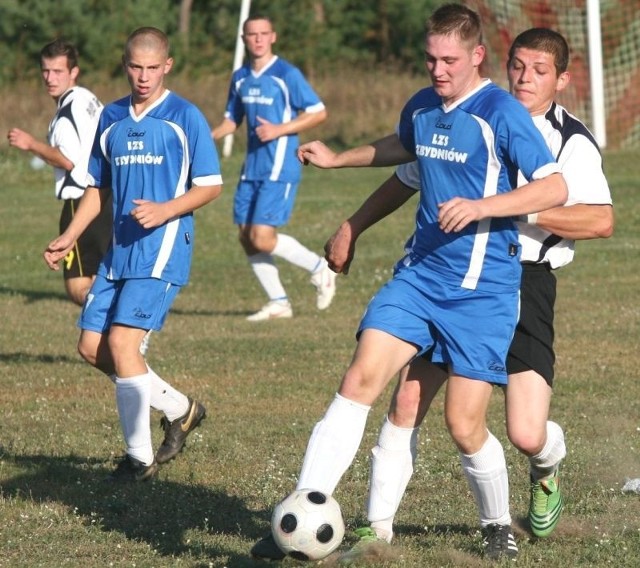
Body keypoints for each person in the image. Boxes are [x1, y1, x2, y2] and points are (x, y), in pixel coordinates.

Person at [251, 4, 567, 561]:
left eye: (449, 60)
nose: (437, 70)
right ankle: (301, 510)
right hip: (419, 279)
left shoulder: (501, 113)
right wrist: (339, 160)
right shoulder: (424, 105)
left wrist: (481, 206)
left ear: (476, 56)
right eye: (429, 58)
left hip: (482, 292)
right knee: (360, 380)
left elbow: (553, 188)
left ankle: (496, 524)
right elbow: (405, 146)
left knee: (463, 424)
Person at [43, 27, 223, 482]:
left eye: (152, 67)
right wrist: (71, 235)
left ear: (167, 66)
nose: (143, 77)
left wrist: (166, 209)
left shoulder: (184, 117)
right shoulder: (113, 117)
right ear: (125, 66)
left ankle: (138, 460)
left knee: (123, 345)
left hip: (161, 250)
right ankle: (181, 408)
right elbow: (97, 187)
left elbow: (210, 185)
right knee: (90, 347)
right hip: (118, 250)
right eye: (135, 67)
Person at [211, 14, 336, 322]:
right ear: (243, 39)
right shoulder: (240, 77)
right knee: (245, 236)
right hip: (250, 167)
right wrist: (201, 139)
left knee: (262, 237)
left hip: (279, 166)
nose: (258, 39)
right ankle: (279, 301)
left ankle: (320, 268)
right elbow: (231, 121)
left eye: (263, 33)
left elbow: (319, 112)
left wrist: (280, 129)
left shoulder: (286, 74)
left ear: (273, 37)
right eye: (251, 34)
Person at [8, 39, 110, 307]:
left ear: (73, 72)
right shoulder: (87, 99)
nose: (50, 78)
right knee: (101, 275)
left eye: (58, 72)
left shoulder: (67, 112)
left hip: (81, 200)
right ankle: (122, 329)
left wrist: (31, 144)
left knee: (78, 284)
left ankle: (122, 323)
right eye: (45, 71)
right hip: (107, 196)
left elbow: (68, 160)